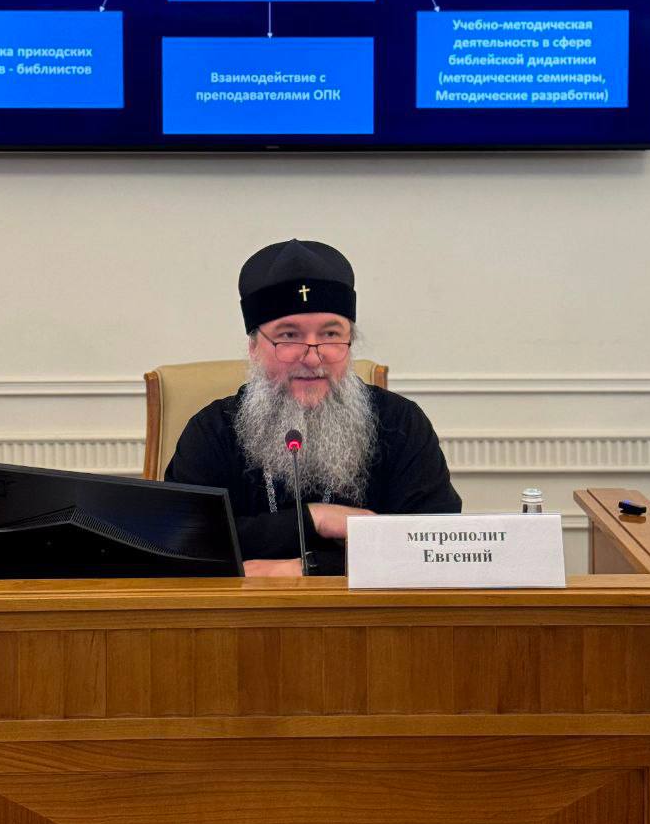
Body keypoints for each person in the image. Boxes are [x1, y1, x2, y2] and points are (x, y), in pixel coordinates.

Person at [165, 239, 461, 575]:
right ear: (253, 347)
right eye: (289, 336)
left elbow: (436, 548)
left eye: (331, 334)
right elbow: (181, 545)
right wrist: (314, 518)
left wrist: (310, 569)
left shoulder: (401, 424)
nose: (312, 357)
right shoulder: (212, 430)